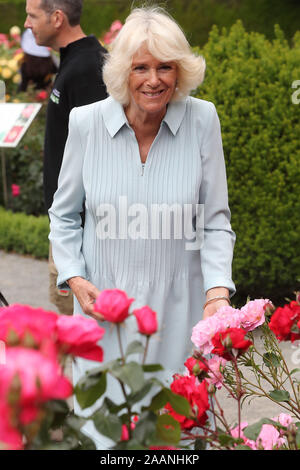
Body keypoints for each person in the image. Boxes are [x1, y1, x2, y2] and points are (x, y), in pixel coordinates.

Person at [49, 6, 236, 448]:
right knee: (105, 439)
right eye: (141, 67)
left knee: (177, 441)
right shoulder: (87, 123)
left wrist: (218, 293)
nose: (154, 80)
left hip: (182, 312)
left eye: (165, 67)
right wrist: (74, 277)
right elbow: (64, 214)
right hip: (104, 315)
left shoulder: (202, 120)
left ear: (180, 71)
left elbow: (214, 220)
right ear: (122, 72)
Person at [24, 0, 107, 315]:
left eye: (32, 15)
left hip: (80, 232)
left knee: (80, 329)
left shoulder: (88, 68)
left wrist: (76, 238)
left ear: (57, 18)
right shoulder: (75, 62)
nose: (27, 24)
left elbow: (101, 154)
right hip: (67, 226)